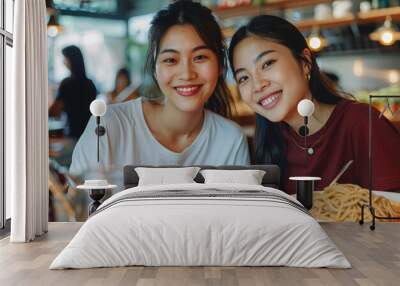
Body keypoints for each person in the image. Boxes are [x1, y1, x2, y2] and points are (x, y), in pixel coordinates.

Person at [70, 0, 250, 181]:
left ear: (220, 65)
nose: (186, 74)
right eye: (171, 60)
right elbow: (78, 205)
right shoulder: (109, 126)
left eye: (200, 57)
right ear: (155, 69)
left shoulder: (230, 140)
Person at [228, 15, 400, 194]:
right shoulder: (268, 143)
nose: (257, 85)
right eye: (244, 78)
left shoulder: (362, 123)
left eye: (268, 64)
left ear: (305, 62)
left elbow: (392, 212)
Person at [49, 45, 97, 140]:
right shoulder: (90, 84)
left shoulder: (66, 84)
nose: (63, 62)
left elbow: (54, 112)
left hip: (71, 135)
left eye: (65, 58)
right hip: (89, 134)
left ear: (71, 60)